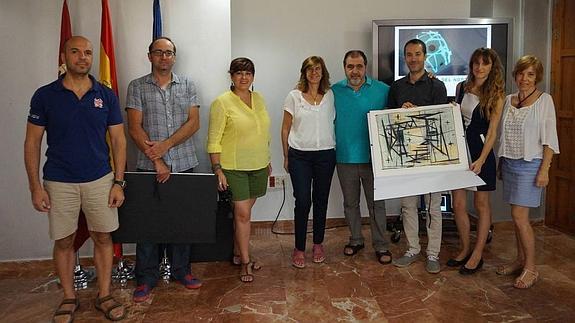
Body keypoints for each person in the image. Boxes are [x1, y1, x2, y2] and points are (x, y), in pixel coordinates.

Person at [24, 36, 127, 322]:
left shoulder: (105, 95)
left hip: (100, 179)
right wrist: (35, 187)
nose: (83, 57)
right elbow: (32, 143)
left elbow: (119, 140)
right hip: (59, 180)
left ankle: (104, 294)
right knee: (64, 240)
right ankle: (69, 297)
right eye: (76, 52)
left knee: (103, 236)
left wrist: (119, 182)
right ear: (64, 55)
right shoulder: (45, 96)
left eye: (88, 52)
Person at [126, 37, 202, 302]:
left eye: (168, 53)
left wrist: (166, 146)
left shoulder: (188, 84)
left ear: (174, 57)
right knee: (148, 224)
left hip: (184, 164)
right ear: (150, 56)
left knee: (182, 221)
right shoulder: (137, 86)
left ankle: (182, 270)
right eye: (158, 53)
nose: (164, 57)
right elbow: (134, 127)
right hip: (149, 167)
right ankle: (146, 277)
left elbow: (194, 123)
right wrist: (157, 159)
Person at [496, 55, 559, 289]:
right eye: (521, 73)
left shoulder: (545, 101)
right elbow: (503, 135)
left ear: (537, 77)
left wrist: (545, 169)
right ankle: (520, 260)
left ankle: (531, 269)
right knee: (515, 218)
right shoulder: (508, 100)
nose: (525, 78)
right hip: (510, 163)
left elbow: (550, 140)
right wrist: (501, 163)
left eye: (530, 74)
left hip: (531, 164)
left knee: (520, 218)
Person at [207, 57, 271, 282]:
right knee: (243, 215)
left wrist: (268, 158)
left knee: (242, 214)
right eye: (239, 73)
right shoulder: (222, 102)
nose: (244, 77)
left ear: (253, 76)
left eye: (248, 73)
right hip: (234, 167)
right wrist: (218, 169)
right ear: (231, 76)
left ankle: (237, 251)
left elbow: (263, 131)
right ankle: (245, 262)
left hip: (259, 165)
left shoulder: (259, 98)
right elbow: (214, 139)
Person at [388, 39, 448, 274]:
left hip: (431, 155)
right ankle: (412, 249)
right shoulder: (396, 87)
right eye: (409, 55)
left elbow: (441, 121)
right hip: (406, 156)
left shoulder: (437, 86)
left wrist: (418, 114)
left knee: (434, 208)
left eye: (417, 54)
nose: (413, 58)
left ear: (425, 56)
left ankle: (433, 254)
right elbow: (389, 119)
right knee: (408, 206)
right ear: (405, 58)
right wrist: (400, 113)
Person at [332, 50, 392, 265]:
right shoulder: (334, 91)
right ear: (344, 68)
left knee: (377, 204)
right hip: (345, 157)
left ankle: (381, 244)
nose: (354, 71)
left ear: (365, 67)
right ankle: (355, 239)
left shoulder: (383, 90)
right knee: (350, 203)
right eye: (350, 66)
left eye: (359, 66)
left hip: (374, 158)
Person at [448, 48, 505, 275]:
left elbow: (492, 133)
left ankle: (478, 253)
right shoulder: (461, 87)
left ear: (492, 67)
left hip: (481, 153)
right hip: (460, 152)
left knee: (481, 206)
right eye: (476, 63)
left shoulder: (497, 94)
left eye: (485, 63)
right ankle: (464, 249)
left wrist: (481, 159)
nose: (480, 68)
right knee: (458, 205)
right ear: (471, 65)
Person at [281, 56, 336, 268]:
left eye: (318, 69)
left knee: (321, 201)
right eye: (310, 69)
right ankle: (299, 247)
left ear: (323, 72)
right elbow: (285, 128)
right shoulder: (294, 97)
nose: (314, 73)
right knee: (303, 201)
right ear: (304, 72)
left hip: (325, 155)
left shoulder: (331, 95)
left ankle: (318, 243)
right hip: (300, 156)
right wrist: (286, 156)